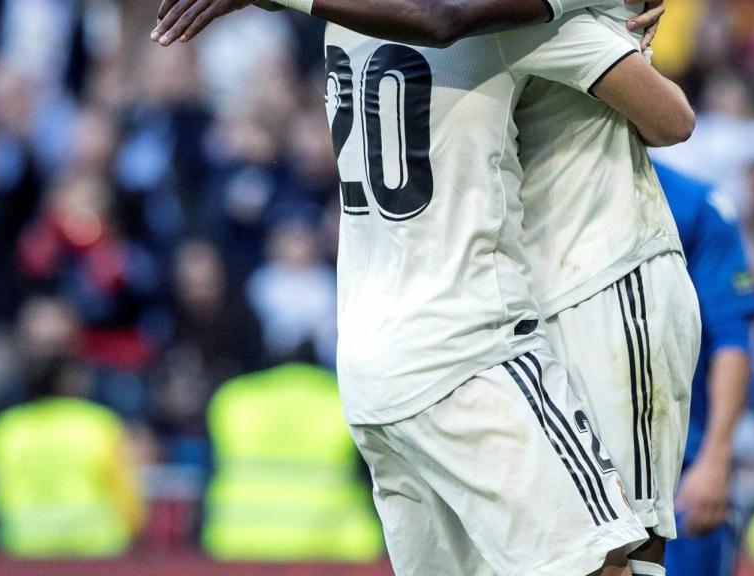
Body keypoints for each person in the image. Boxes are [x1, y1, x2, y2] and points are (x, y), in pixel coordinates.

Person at [154, 2, 696, 575]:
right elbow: (673, 120)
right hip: (470, 344)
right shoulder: (496, 23)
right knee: (605, 557)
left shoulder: (347, 19)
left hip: (368, 364)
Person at [652, 162, 754, 576]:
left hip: (678, 466)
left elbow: (731, 336)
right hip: (576, 459)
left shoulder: (694, 204)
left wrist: (715, 458)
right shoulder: (535, 184)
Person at [0, 299, 144, 557]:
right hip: (94, 555)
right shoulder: (99, 425)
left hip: (24, 554)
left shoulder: (7, 428)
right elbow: (129, 505)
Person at [203, 363, 384, 562]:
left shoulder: (233, 399)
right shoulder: (344, 400)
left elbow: (205, 472)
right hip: (336, 546)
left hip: (235, 541)